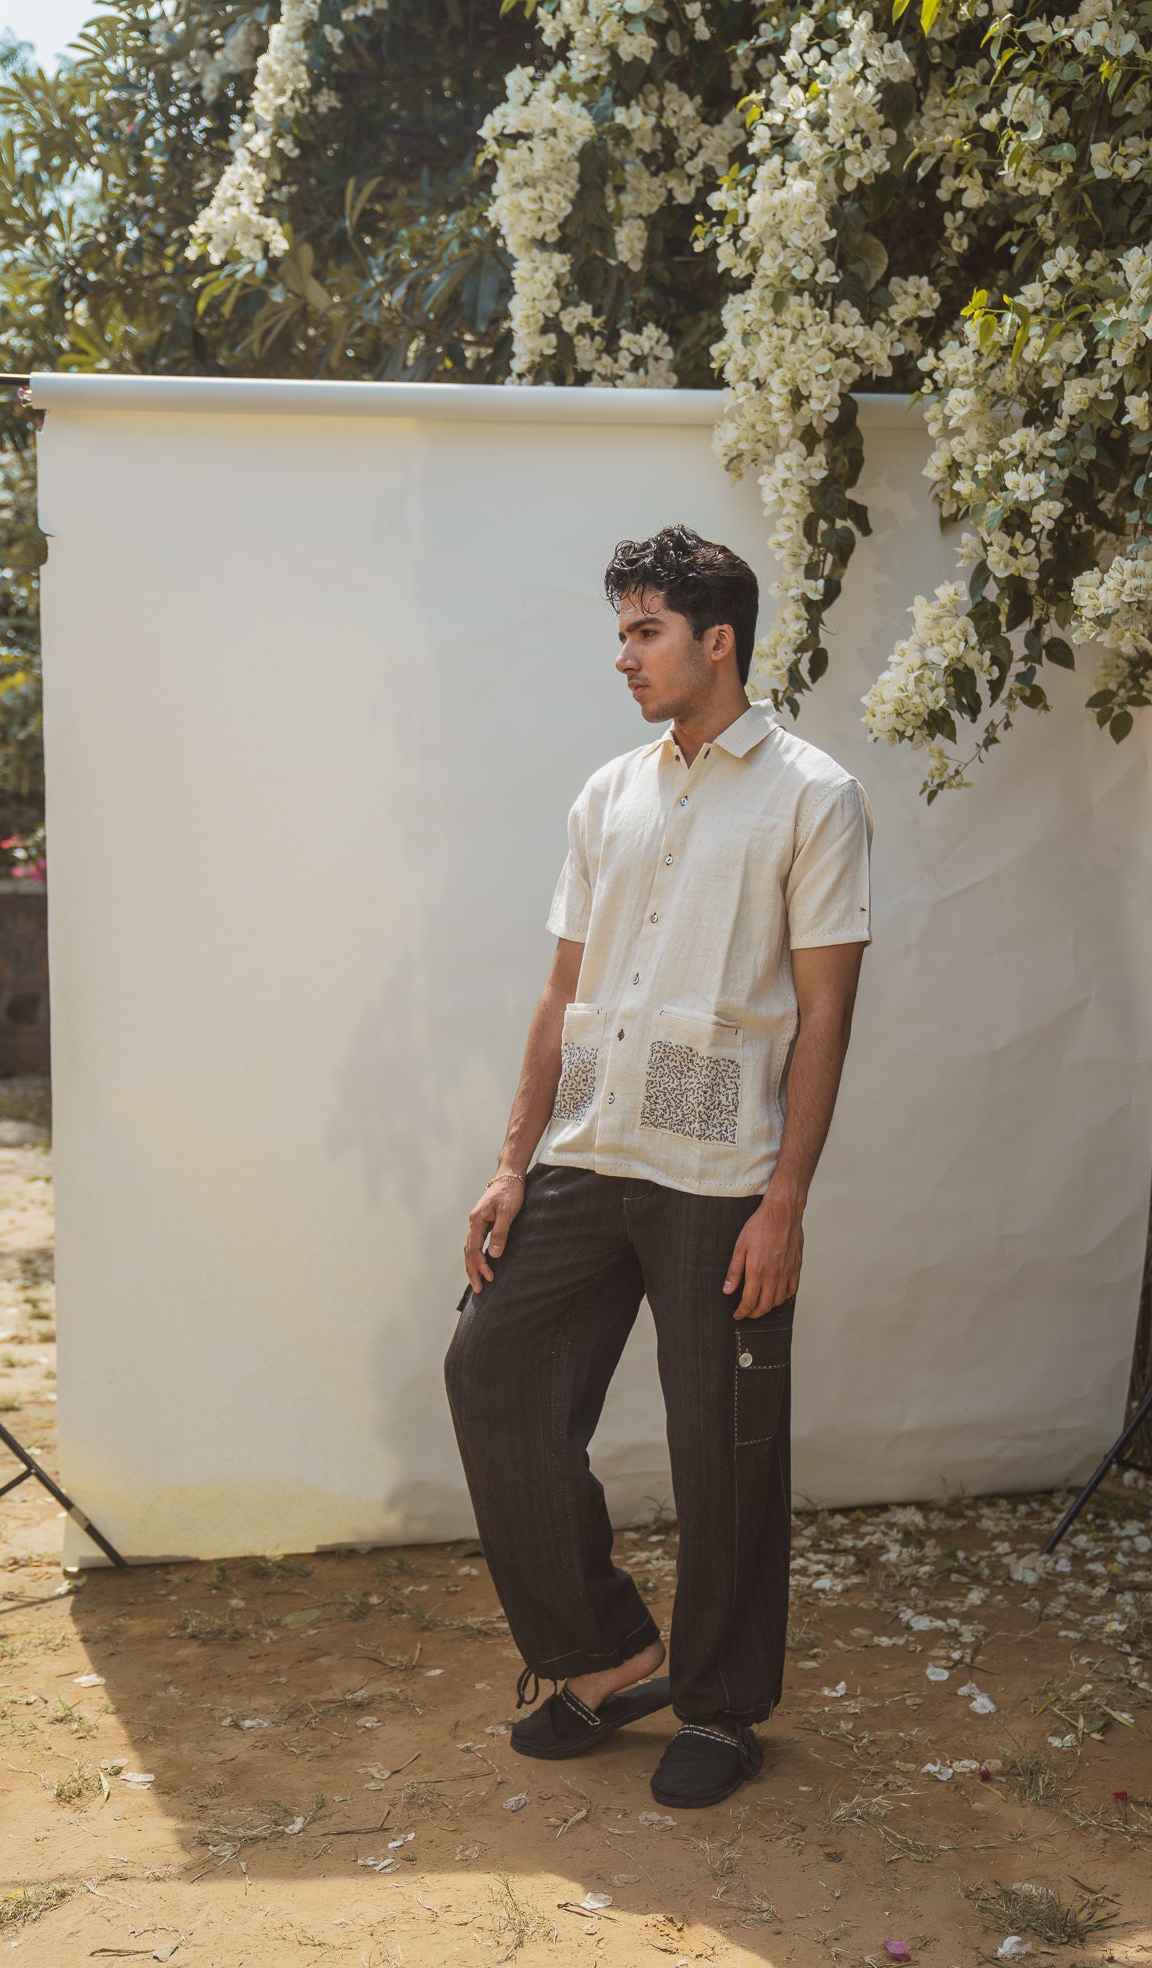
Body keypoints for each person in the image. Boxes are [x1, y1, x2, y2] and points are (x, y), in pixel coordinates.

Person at [444, 525, 872, 1809]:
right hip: (589, 1145)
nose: (623, 656)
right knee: (491, 1369)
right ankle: (605, 1647)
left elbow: (825, 1012)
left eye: (646, 632)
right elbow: (560, 989)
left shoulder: (812, 796)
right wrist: (511, 1163)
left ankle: (723, 1708)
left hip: (720, 1169)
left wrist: (785, 1199)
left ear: (717, 640)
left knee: (722, 1445)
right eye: (621, 631)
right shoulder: (607, 794)